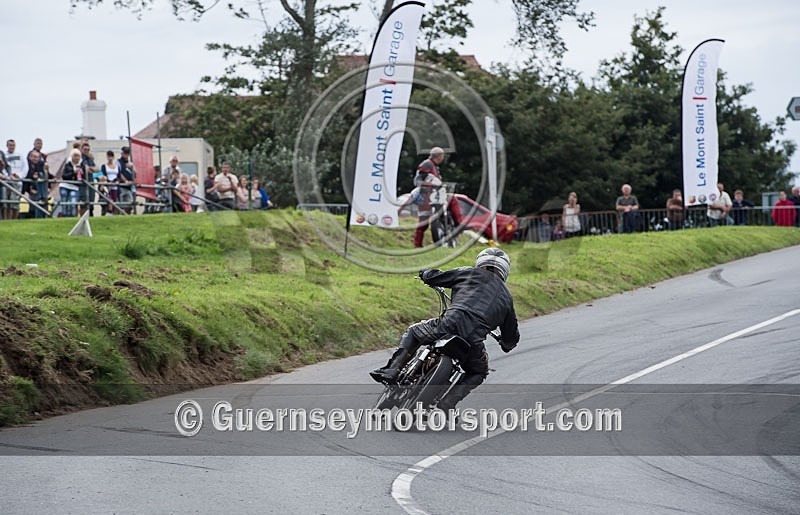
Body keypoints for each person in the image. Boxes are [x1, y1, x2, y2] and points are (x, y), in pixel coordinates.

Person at [370, 248, 520, 413]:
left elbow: (435, 276)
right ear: (505, 270)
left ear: (480, 262)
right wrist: (505, 342)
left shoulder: (469, 273)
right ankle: (448, 403)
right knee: (478, 372)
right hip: (473, 341)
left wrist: (425, 273)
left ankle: (392, 370)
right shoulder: (507, 299)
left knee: (413, 332)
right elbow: (511, 338)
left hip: (447, 324)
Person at [412, 147, 463, 248]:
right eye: (442, 156)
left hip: (427, 196)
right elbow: (418, 180)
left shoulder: (432, 166)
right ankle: (459, 224)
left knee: (423, 223)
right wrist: (433, 185)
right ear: (439, 156)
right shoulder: (427, 165)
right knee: (452, 199)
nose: (443, 158)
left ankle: (417, 245)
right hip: (430, 195)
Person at [3, 139, 27, 220]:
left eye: (13, 145)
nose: (12, 147)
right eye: (10, 145)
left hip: (17, 182)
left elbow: (25, 168)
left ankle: (14, 220)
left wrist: (19, 176)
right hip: (6, 182)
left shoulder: (20, 155)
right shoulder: (3, 155)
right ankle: (6, 220)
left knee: (15, 203)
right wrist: (7, 176)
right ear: (7, 146)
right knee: (5, 203)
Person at [60, 149, 85, 217]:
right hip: (65, 186)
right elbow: (64, 176)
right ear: (72, 156)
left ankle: (72, 218)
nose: (77, 157)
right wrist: (73, 172)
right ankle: (64, 217)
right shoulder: (67, 165)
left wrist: (82, 174)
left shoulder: (82, 166)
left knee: (73, 203)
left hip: (75, 187)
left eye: (78, 156)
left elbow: (84, 178)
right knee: (64, 203)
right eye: (75, 155)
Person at [118, 146, 136, 214]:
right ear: (122, 153)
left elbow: (135, 175)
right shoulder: (118, 162)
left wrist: (131, 168)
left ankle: (127, 215)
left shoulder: (130, 163)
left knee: (130, 204)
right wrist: (126, 181)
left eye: (127, 153)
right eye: (125, 153)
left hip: (129, 187)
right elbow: (119, 173)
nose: (126, 154)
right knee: (120, 204)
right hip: (121, 186)